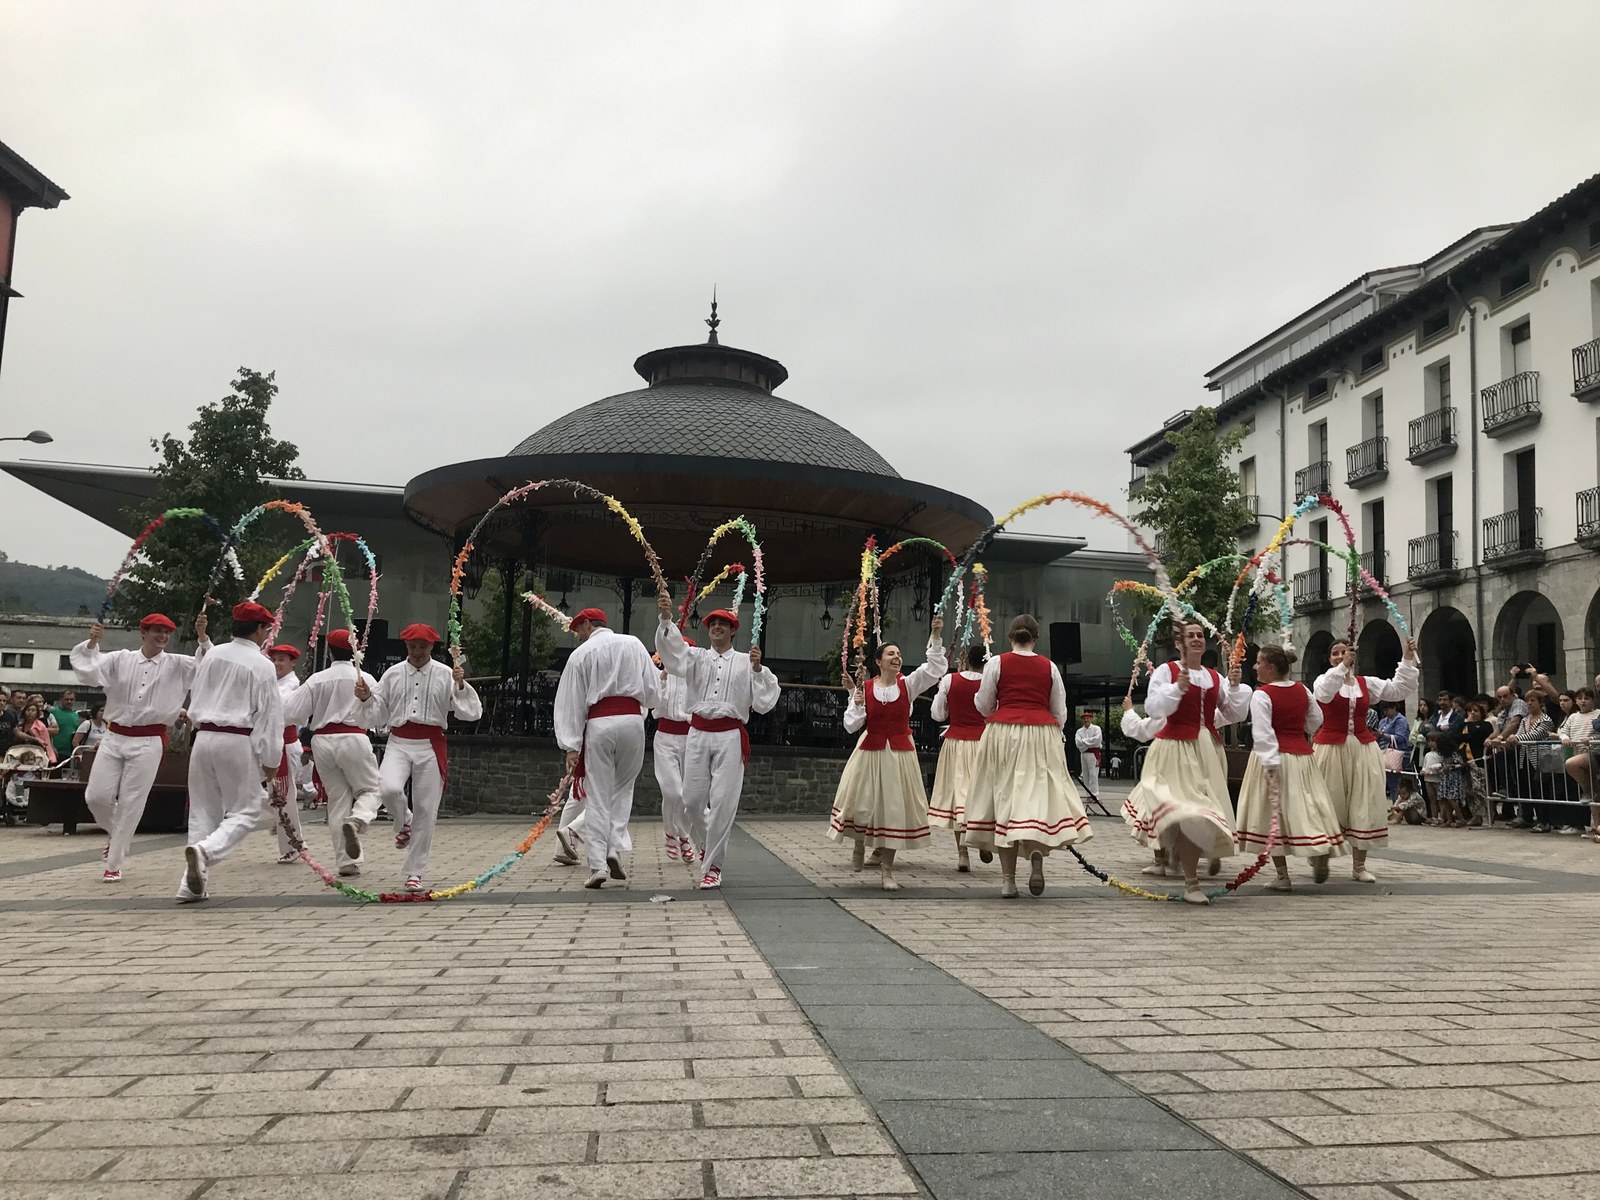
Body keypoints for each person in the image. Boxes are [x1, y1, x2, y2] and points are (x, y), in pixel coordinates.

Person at [70, 612, 210, 883]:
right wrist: (91, 644)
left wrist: (202, 637)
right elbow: (89, 671)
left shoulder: (178, 664)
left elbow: (207, 667)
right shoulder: (120, 659)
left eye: (166, 632)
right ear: (143, 632)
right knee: (96, 797)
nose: (163, 636)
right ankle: (116, 835)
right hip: (114, 736)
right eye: (157, 630)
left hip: (149, 740)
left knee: (131, 802)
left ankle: (114, 862)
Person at [654, 594, 779, 889]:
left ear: (733, 630)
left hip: (730, 735)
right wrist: (666, 619)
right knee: (692, 800)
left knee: (723, 802)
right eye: (713, 624)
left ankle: (713, 866)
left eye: (723, 623)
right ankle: (709, 843)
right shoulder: (695, 657)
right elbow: (672, 653)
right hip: (697, 733)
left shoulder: (746, 661)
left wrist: (757, 670)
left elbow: (764, 702)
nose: (717, 627)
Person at [964, 613, 1092, 899]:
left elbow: (984, 705)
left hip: (1003, 733)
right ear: (1036, 638)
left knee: (1004, 799)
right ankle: (1035, 850)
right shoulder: (1049, 667)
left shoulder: (996, 663)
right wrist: (1049, 732)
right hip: (1040, 735)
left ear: (1010, 636)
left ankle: (1008, 881)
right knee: (1035, 796)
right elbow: (1059, 711)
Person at [1125, 619, 1251, 886]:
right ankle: (1172, 851)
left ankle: (1197, 849)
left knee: (1204, 803)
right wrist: (1177, 688)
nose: (1196, 639)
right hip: (1173, 745)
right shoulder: (1166, 671)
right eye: (1190, 636)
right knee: (1174, 801)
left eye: (1200, 635)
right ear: (1179, 644)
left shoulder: (1214, 676)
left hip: (1207, 747)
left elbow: (1233, 714)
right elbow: (1154, 708)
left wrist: (1235, 687)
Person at [357, 622, 482, 892]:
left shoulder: (445, 673)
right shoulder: (392, 674)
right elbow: (378, 711)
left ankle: (414, 872)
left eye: (422, 647)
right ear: (406, 645)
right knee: (388, 788)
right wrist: (366, 698)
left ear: (432, 646)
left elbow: (470, 712)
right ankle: (404, 820)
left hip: (430, 743)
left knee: (426, 809)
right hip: (399, 740)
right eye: (412, 646)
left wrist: (461, 685)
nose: (417, 651)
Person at [828, 617, 946, 891]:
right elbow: (850, 725)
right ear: (878, 662)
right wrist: (857, 703)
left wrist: (935, 635)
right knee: (862, 803)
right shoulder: (866, 688)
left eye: (899, 654)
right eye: (891, 654)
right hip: (870, 752)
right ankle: (859, 843)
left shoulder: (908, 684)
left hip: (899, 755)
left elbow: (934, 669)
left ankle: (887, 871)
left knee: (893, 809)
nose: (897, 657)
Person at [178, 602, 283, 904]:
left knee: (203, 810)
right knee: (246, 810)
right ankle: (205, 852)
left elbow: (196, 693)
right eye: (266, 629)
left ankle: (190, 885)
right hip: (236, 739)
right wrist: (271, 760)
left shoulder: (213, 654)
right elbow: (270, 716)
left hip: (203, 737)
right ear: (259, 629)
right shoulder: (262, 665)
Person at [553, 607, 660, 889]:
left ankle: (598, 864)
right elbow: (653, 693)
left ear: (588, 624)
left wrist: (572, 745)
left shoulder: (581, 655)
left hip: (599, 724)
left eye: (579, 629)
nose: (578, 635)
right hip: (632, 722)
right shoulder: (633, 643)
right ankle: (613, 847)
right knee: (623, 789)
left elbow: (571, 703)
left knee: (598, 795)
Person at [1235, 643, 1346, 892]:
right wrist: (1299, 730)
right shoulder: (1301, 689)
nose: (1255, 667)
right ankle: (1317, 847)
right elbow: (1316, 720)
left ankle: (1282, 875)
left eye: (1259, 662)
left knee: (1271, 813)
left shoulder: (1262, 694)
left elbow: (1262, 731)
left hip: (1273, 756)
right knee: (1306, 804)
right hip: (1302, 757)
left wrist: (1270, 763)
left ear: (1270, 667)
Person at [1309, 637, 1419, 883]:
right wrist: (1341, 667)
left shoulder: (1365, 683)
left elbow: (1399, 689)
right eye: (1335, 653)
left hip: (1362, 747)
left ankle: (1359, 865)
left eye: (1345, 652)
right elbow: (1324, 694)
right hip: (1330, 748)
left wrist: (1407, 657)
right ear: (1330, 659)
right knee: (1327, 802)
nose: (1340, 656)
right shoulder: (1323, 680)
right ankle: (1320, 851)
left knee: (1365, 802)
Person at [284, 628, 385, 876]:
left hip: (322, 741)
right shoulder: (365, 678)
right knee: (372, 789)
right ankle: (359, 818)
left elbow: (292, 712)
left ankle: (347, 862)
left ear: (330, 652)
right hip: (354, 737)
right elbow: (380, 715)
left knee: (338, 800)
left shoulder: (317, 679)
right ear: (355, 652)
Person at [928, 644, 987, 872]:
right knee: (982, 794)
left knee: (957, 796)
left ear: (966, 660)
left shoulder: (950, 680)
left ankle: (963, 852)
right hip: (982, 743)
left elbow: (937, 714)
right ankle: (982, 839)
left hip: (956, 743)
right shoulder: (990, 683)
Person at [650, 631, 697, 867]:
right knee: (672, 791)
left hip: (690, 737)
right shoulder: (661, 676)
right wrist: (663, 676)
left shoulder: (695, 678)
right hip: (665, 737)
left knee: (690, 794)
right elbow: (651, 702)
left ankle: (684, 835)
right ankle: (671, 831)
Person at [268, 643, 305, 864]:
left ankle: (293, 844)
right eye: (274, 660)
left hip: (285, 744)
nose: (277, 664)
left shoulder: (293, 685)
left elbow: (280, 713)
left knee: (285, 796)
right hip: (270, 743)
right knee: (272, 796)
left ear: (293, 663)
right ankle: (282, 824)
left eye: (282, 660)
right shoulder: (274, 682)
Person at [1376, 701, 1410, 803]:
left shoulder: (1401, 720)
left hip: (1398, 754)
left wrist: (1383, 735)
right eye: (1384, 710)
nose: (1386, 712)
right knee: (1390, 784)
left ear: (1394, 707)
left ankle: (1400, 804)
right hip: (1384, 754)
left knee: (1399, 784)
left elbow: (1400, 737)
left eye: (1388, 710)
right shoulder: (1382, 721)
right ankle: (1394, 803)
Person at [1073, 710, 1103, 807]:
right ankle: (1088, 795)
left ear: (1091, 719)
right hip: (1084, 753)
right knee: (1085, 775)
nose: (1086, 720)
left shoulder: (1096, 729)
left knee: (1093, 774)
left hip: (1093, 754)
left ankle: (1095, 795)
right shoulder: (1079, 731)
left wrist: (1084, 741)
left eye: (1088, 718)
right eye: (1084, 718)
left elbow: (1097, 740)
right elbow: (1078, 743)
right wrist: (1088, 743)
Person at [47, 690, 81, 763]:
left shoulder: (76, 715)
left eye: (71, 699)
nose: (69, 701)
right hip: (55, 752)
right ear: (61, 699)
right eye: (66, 699)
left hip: (70, 754)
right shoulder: (52, 712)